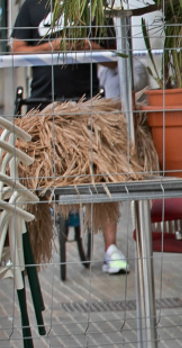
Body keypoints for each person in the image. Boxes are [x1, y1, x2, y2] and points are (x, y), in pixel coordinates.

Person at [10, 0, 131, 275]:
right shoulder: (32, 5)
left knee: (105, 171)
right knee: (26, 173)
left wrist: (88, 47)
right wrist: (55, 46)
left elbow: (115, 58)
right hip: (42, 106)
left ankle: (110, 248)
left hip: (87, 105)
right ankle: (24, 250)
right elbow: (17, 52)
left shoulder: (94, 7)